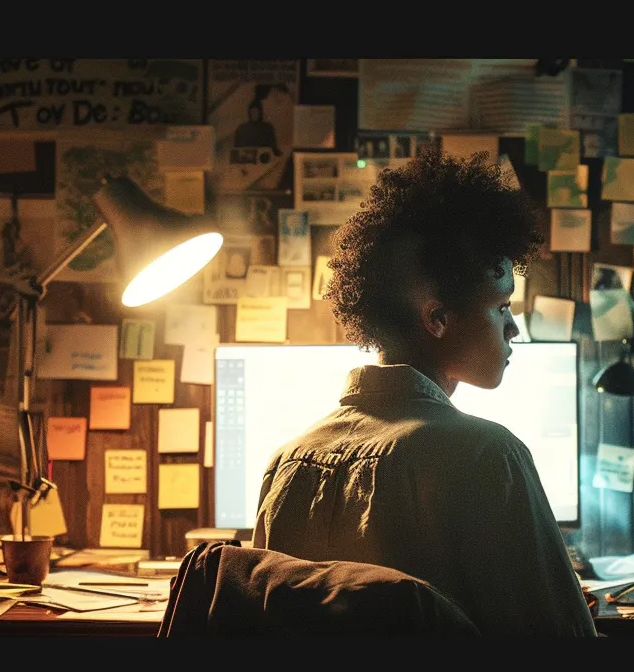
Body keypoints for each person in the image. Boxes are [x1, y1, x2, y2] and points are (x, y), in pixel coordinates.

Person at [252, 146, 597, 637]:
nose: (514, 328)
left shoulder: (286, 464)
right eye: (501, 307)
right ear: (437, 318)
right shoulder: (488, 455)